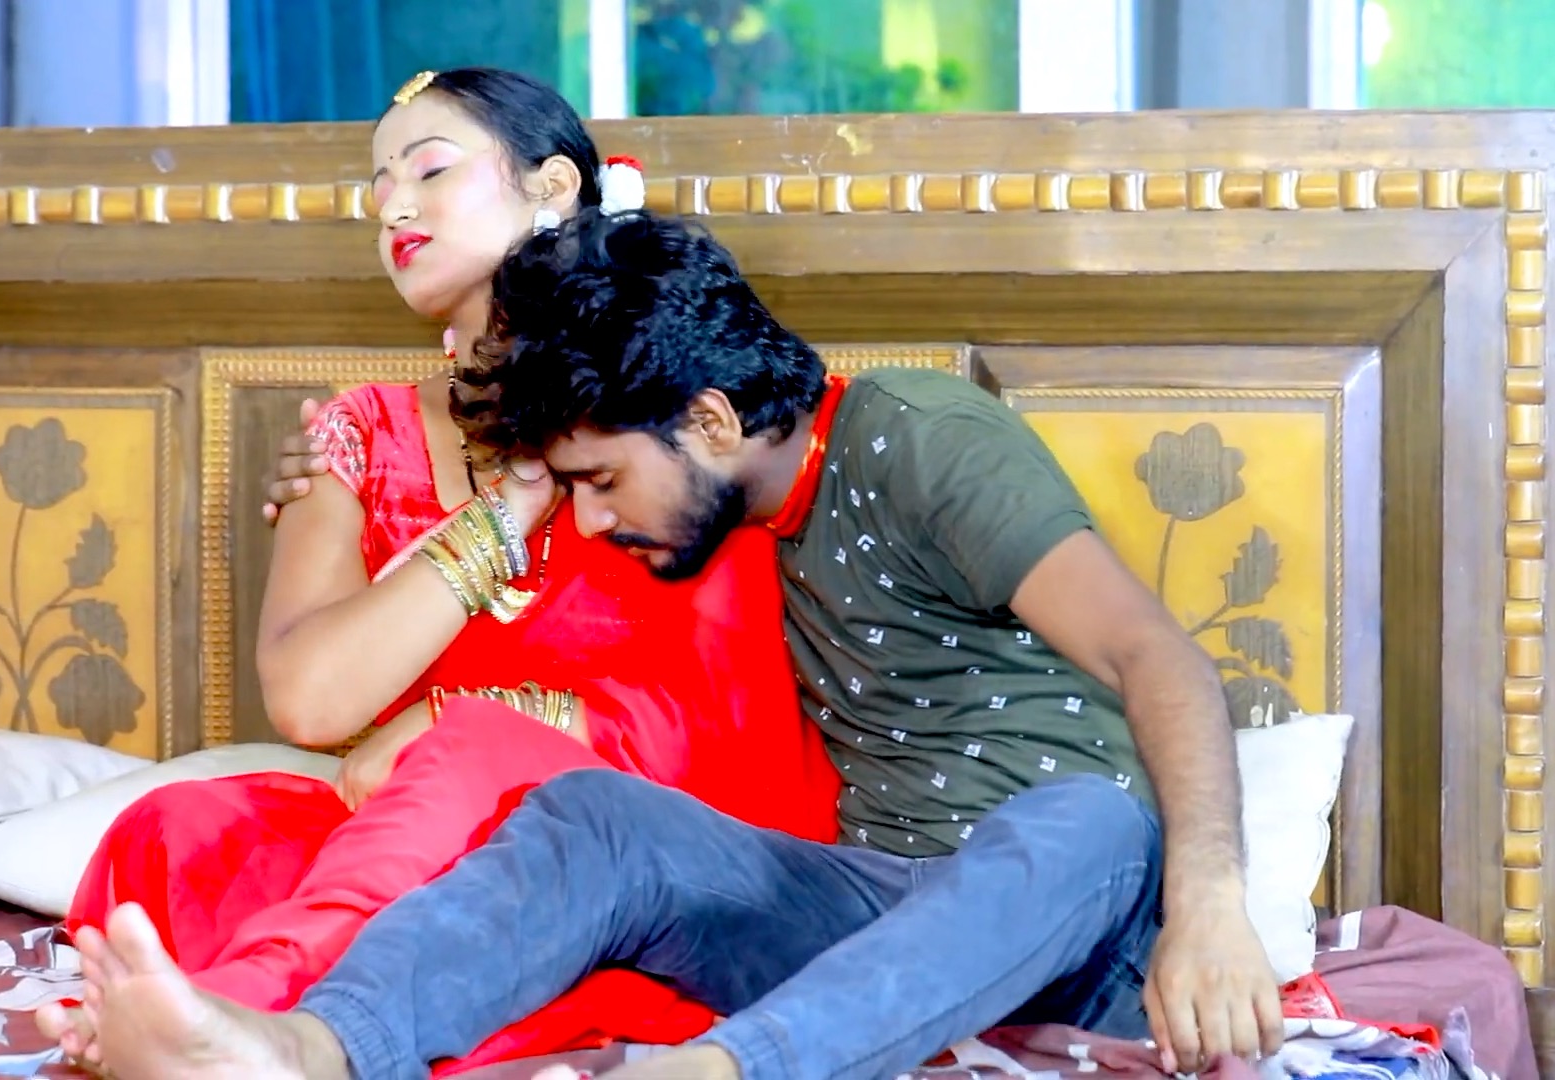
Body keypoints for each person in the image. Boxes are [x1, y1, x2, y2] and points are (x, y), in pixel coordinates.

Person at [63, 208, 1286, 1080]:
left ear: (708, 419)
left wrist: (1213, 907)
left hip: (1081, 919)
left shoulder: (920, 437)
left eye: (603, 481)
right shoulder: (723, 529)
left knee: (1084, 820)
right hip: (874, 913)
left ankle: (722, 1072)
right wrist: (347, 467)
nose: (594, 520)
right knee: (594, 818)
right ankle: (306, 1050)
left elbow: (1157, 656)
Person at [36, 72, 840, 1076]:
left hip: (644, 821)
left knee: (461, 763)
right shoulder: (360, 433)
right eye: (378, 190)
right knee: (183, 831)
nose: (394, 209)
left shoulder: (668, 394)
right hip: (418, 825)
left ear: (553, 186)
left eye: (429, 170)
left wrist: (458, 720)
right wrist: (503, 515)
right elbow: (312, 703)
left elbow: (722, 717)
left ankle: (256, 1021)